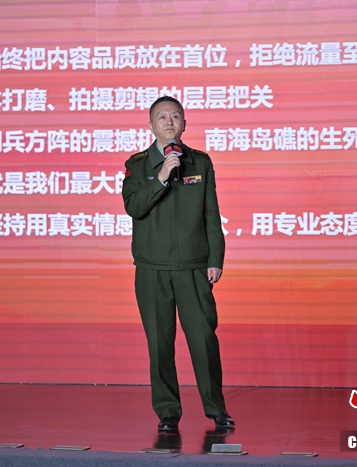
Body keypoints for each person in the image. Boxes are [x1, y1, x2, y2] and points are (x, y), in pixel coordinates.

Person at [122, 96, 234, 433]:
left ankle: (216, 408)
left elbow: (211, 213)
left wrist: (215, 258)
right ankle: (167, 411)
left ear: (184, 124)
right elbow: (133, 206)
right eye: (161, 117)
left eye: (175, 116)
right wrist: (161, 176)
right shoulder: (138, 165)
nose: (169, 122)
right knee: (160, 343)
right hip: (152, 269)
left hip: (194, 268)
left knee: (203, 340)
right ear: (150, 125)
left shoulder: (200, 162)